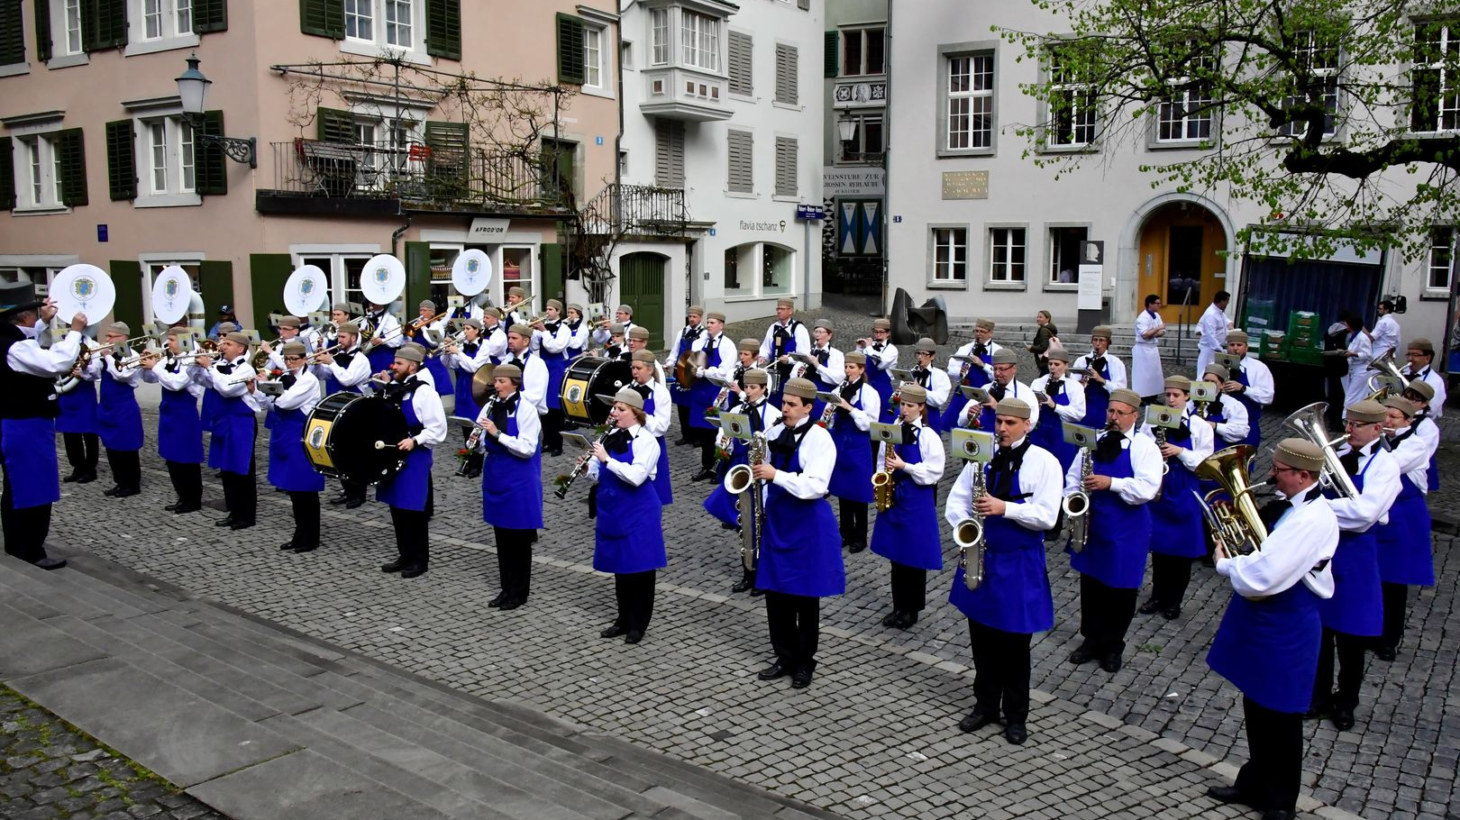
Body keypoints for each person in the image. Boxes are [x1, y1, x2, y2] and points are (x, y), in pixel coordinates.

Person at [1205, 439, 1338, 820]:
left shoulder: (1312, 519)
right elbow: (1265, 554)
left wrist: (1226, 562)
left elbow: (1262, 577)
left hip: (1287, 621)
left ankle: (1281, 802)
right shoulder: (1291, 508)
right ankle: (1254, 782)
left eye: (1279, 469)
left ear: (1303, 475)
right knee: (1257, 703)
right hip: (1270, 617)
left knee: (1281, 714)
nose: (1270, 474)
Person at [946, 397, 1060, 745]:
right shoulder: (982, 456)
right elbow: (956, 498)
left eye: (1010, 423)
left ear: (1027, 425)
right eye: (999, 422)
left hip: (1019, 560)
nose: (1002, 429)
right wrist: (966, 526)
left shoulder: (1045, 462)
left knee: (1014, 644)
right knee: (981, 639)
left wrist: (1004, 508)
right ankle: (984, 705)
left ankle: (1016, 715)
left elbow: (1047, 515)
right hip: (982, 555)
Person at [1310, 399, 1399, 731]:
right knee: (1320, 633)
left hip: (1358, 556)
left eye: (1357, 425)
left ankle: (1346, 702)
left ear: (1377, 428)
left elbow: (1364, 516)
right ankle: (1317, 697)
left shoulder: (1386, 466)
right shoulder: (1340, 457)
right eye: (1347, 423)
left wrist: (1319, 509)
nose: (1349, 430)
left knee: (1351, 638)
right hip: (1326, 552)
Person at [753, 378, 846, 689]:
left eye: (792, 405)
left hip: (807, 524)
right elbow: (766, 473)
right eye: (784, 403)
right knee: (776, 594)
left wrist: (774, 474)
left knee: (805, 597)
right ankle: (783, 655)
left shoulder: (821, 439)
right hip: (779, 519)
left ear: (808, 407)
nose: (785, 409)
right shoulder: (777, 431)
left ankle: (805, 661)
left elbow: (815, 485)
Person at [1064, 388, 1161, 673]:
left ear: (1134, 415)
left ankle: (1113, 645)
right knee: (1091, 586)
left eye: (1120, 413)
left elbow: (1147, 489)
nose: (1113, 417)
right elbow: (1073, 476)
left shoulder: (1145, 448)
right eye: (1110, 411)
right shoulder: (1093, 441)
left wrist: (1112, 483)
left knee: (1120, 590)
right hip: (1095, 525)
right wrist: (1071, 500)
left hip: (1127, 529)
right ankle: (1090, 640)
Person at [0, 284, 86, 570]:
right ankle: (30, 548)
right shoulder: (14, 346)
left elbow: (30, 342)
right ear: (23, 317)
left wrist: (44, 322)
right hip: (25, 423)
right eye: (34, 313)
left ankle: (17, 543)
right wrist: (75, 331)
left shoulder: (10, 338)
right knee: (32, 486)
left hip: (16, 422)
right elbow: (55, 362)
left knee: (16, 486)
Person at [590, 387, 667, 644]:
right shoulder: (611, 435)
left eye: (620, 409)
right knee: (621, 568)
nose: (614, 412)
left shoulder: (648, 441)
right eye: (614, 408)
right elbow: (598, 472)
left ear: (636, 414)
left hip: (639, 511)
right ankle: (623, 619)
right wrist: (589, 467)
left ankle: (638, 624)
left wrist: (607, 460)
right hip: (614, 509)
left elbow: (636, 477)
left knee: (641, 569)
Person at [869, 383, 946, 630]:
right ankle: (898, 606)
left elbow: (935, 471)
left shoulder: (929, 436)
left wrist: (906, 467)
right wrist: (882, 475)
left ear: (922, 408)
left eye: (910, 406)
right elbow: (882, 458)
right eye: (903, 404)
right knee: (896, 555)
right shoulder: (893, 430)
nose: (904, 409)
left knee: (914, 556)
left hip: (916, 498)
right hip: (895, 496)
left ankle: (911, 610)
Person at [1137, 377, 1214, 620]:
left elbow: (1205, 461)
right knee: (1159, 549)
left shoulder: (1199, 426)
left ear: (1187, 397)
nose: (1170, 400)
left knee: (1181, 551)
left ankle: (1174, 600)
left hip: (1184, 488)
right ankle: (1157, 595)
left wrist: (1180, 451)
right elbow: (1141, 446)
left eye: (1176, 396)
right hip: (1161, 486)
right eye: (1168, 395)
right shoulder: (1153, 420)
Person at [703, 368, 780, 593]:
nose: (749, 391)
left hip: (761, 472)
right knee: (744, 526)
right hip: (740, 470)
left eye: (753, 388)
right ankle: (748, 573)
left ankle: (762, 576)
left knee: (760, 526)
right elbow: (722, 440)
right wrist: (724, 443)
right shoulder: (737, 409)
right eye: (746, 387)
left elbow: (774, 446)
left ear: (764, 388)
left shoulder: (773, 413)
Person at [1373, 396, 1437, 661]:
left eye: (1393, 418)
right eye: (1384, 416)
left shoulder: (1415, 445)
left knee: (1395, 583)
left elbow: (1389, 466)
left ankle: (1390, 639)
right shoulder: (1382, 440)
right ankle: (1373, 631)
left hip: (1404, 517)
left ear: (1408, 421)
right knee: (1374, 579)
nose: (1387, 422)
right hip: (1380, 512)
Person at [476, 363, 543, 610]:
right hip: (496, 477)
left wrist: (496, 433)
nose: (496, 385)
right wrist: (477, 443)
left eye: (502, 381)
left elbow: (527, 448)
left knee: (519, 540)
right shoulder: (490, 405)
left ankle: (519, 592)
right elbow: (481, 436)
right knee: (502, 538)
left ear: (514, 383)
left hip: (519, 481)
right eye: (495, 381)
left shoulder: (526, 410)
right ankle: (506, 589)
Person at [376, 345, 447, 579]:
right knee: (396, 507)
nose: (393, 367)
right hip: (392, 454)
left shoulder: (425, 393)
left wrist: (415, 441)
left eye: (398, 364)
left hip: (414, 457)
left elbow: (438, 429)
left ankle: (419, 559)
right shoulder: (397, 388)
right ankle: (404, 555)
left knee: (413, 510)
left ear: (412, 366)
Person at [253, 342, 325, 553]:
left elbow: (284, 403)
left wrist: (268, 388)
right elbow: (266, 404)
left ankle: (310, 537)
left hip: (301, 438)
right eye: (287, 359)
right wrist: (257, 388)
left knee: (306, 490)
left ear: (304, 359)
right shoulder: (284, 378)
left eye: (294, 359)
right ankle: (299, 534)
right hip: (285, 435)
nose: (290, 363)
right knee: (293, 490)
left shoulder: (308, 380)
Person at [195, 332, 259, 529]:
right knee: (227, 469)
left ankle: (246, 515)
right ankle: (233, 510)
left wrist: (209, 368)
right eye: (222, 343)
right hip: (224, 421)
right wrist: (199, 368)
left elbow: (226, 389)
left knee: (243, 470)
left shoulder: (246, 369)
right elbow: (205, 382)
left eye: (228, 344)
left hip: (241, 422)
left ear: (240, 348)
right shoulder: (218, 366)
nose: (222, 347)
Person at [141, 329, 204, 514]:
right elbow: (151, 378)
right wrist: (144, 365)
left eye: (172, 340)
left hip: (184, 414)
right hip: (169, 412)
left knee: (187, 458)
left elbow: (176, 384)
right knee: (172, 457)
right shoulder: (169, 358)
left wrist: (155, 367)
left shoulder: (191, 361)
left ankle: (192, 499)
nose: (168, 343)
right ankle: (182, 496)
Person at [827, 351, 881, 554]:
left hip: (858, 445)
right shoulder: (841, 388)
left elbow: (871, 422)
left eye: (851, 367)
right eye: (846, 367)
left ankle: (860, 537)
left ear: (861, 369)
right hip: (841, 443)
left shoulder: (868, 392)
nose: (848, 371)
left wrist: (849, 408)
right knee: (842, 492)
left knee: (858, 493)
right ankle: (845, 532)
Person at [314, 323, 372, 508]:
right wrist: (318, 362)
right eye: (338, 337)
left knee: (355, 452)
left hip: (355, 408)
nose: (339, 341)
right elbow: (323, 376)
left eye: (343, 337)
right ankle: (347, 490)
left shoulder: (361, 359)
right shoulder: (337, 356)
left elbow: (348, 379)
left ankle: (358, 494)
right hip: (335, 406)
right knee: (337, 451)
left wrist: (331, 363)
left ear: (354, 338)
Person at [92, 323, 146, 498]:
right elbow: (93, 374)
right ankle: (119, 481)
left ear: (123, 338)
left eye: (111, 336)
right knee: (111, 446)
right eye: (107, 336)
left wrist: (107, 357)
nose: (107, 340)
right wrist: (88, 363)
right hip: (108, 405)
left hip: (123, 407)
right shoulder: (108, 355)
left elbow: (122, 375)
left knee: (127, 446)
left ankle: (132, 483)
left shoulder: (131, 355)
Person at [689, 312, 737, 482]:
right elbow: (692, 361)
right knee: (703, 432)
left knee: (718, 432)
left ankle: (719, 468)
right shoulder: (699, 342)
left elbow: (725, 372)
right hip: (700, 391)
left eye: (713, 322)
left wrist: (705, 372)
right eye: (708, 322)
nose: (709, 325)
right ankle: (706, 466)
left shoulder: (728, 345)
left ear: (721, 325)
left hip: (716, 393)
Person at [444, 318, 492, 477]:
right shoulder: (462, 346)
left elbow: (473, 366)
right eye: (464, 328)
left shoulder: (485, 346)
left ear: (477, 330)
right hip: (463, 387)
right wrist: (447, 353)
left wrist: (458, 352)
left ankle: (477, 465)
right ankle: (467, 461)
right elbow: (450, 365)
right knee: (465, 428)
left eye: (468, 328)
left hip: (477, 388)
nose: (465, 331)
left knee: (477, 427)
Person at [1028, 349, 1086, 474]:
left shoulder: (1074, 386)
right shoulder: (1038, 383)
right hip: (1039, 433)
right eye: (1050, 364)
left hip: (1062, 435)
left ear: (1066, 366)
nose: (1052, 368)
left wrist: (1054, 406)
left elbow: (1079, 414)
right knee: (1037, 468)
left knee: (1062, 469)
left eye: (1057, 364)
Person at [628, 349, 674, 506]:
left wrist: (640, 414)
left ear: (650, 369)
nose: (634, 372)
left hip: (652, 446)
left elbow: (661, 427)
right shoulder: (626, 391)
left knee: (652, 497)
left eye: (638, 368)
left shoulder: (661, 393)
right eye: (633, 368)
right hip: (629, 444)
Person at [958, 349, 1041, 432]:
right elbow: (960, 421)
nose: (997, 373)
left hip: (1010, 442)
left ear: (1014, 369)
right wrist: (969, 416)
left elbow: (1029, 425)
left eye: (1002, 369)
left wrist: (998, 408)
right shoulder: (985, 388)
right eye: (995, 369)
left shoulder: (1026, 393)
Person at [56, 333, 100, 484]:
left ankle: (90, 469)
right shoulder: (62, 344)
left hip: (84, 392)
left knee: (89, 432)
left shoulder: (93, 345)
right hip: (67, 392)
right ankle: (77, 467)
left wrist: (84, 369)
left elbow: (97, 371)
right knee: (69, 433)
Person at [942, 318, 1001, 430]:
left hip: (983, 395)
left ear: (990, 333)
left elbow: (1000, 376)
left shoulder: (997, 351)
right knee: (954, 426)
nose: (978, 334)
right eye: (977, 331)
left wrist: (983, 365)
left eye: (982, 332)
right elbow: (950, 368)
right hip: (964, 394)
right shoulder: (966, 348)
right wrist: (960, 372)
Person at [532, 299, 573, 457]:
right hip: (543, 367)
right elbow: (535, 346)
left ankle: (558, 445)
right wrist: (534, 332)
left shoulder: (564, 329)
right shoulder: (544, 328)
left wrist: (543, 331)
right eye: (546, 309)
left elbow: (554, 347)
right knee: (544, 407)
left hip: (557, 369)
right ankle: (547, 442)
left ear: (558, 311)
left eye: (550, 309)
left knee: (556, 408)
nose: (547, 312)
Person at [1220, 331, 1274, 447]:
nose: (1235, 349)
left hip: (1248, 425)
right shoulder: (1215, 366)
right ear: (1227, 346)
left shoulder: (1258, 368)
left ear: (1246, 347)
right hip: (1219, 425)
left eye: (1239, 345)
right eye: (1232, 345)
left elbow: (1267, 397)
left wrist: (1244, 389)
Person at [758, 298, 811, 406]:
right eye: (778, 309)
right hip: (773, 371)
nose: (779, 311)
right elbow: (766, 348)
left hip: (789, 372)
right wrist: (762, 356)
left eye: (782, 309)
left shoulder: (799, 329)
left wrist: (789, 360)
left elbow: (804, 355)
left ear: (790, 311)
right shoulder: (773, 328)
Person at [1072, 326, 1127, 428]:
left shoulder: (1115, 363)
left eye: (1101, 340)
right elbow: (1071, 385)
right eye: (1095, 340)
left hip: (1104, 408)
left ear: (1108, 343)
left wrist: (1101, 380)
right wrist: (1080, 384)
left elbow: (1121, 391)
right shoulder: (1081, 361)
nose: (1098, 344)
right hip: (1084, 407)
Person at [666, 306, 706, 445]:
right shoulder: (682, 332)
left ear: (700, 318)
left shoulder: (704, 334)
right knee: (682, 406)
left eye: (695, 316)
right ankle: (686, 435)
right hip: (680, 372)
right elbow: (675, 350)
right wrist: (670, 363)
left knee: (694, 405)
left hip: (694, 374)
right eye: (690, 316)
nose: (692, 319)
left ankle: (698, 436)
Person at [1401, 378, 1442, 490]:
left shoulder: (1428, 427)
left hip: (1411, 475)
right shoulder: (1394, 418)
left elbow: (1419, 455)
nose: (1407, 402)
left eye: (1414, 400)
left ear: (1424, 404)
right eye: (1406, 397)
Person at [502, 323, 549, 418]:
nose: (510, 341)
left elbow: (536, 396)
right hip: (507, 412)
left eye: (514, 338)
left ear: (526, 341)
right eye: (509, 338)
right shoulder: (505, 361)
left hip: (529, 414)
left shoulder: (537, 364)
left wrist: (509, 396)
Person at [1197, 363, 1251, 446]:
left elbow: (1242, 431)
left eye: (1213, 382)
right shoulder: (1192, 401)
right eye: (1206, 381)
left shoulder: (1232, 405)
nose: (1209, 385)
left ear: (1222, 385)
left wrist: (1215, 426)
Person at [859, 318, 899, 423]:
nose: (878, 335)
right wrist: (859, 349)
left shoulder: (892, 350)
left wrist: (868, 349)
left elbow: (881, 365)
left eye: (881, 332)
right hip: (867, 385)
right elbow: (858, 364)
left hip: (883, 389)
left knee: (885, 419)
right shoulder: (869, 347)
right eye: (876, 332)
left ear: (888, 333)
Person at [908, 338, 952, 433]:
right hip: (911, 419)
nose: (920, 357)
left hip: (931, 420)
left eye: (924, 354)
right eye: (918, 353)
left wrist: (920, 390)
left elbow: (939, 400)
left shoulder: (940, 376)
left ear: (932, 356)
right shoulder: (911, 373)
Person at [1401, 337, 1446, 419]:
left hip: (1420, 424)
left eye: (1415, 355)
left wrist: (1401, 410)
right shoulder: (1402, 373)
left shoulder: (1436, 381)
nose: (1410, 359)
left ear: (1427, 358)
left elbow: (1430, 410)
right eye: (1409, 354)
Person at [1132, 294, 1166, 402]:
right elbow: (1145, 335)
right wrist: (1156, 329)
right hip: (1143, 348)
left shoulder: (1157, 316)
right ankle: (1142, 397)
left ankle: (1153, 396)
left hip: (1152, 347)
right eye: (1157, 303)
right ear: (1150, 304)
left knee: (1154, 374)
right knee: (1143, 375)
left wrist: (1153, 332)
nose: (1159, 305)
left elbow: (1162, 332)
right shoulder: (1142, 318)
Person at [1338, 311, 1373, 409]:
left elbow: (1368, 355)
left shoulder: (1362, 338)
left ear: (1350, 325)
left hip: (1361, 370)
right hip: (1354, 369)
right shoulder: (1354, 336)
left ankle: (1346, 419)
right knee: (1352, 396)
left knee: (1351, 398)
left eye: (1346, 324)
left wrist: (1353, 354)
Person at [361, 299, 404, 374]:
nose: (371, 304)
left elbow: (397, 341)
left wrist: (381, 341)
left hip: (384, 359)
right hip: (368, 359)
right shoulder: (366, 319)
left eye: (373, 302)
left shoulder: (391, 320)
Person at [1197, 291, 1232, 374]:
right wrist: (1221, 350)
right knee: (1204, 373)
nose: (1227, 304)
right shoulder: (1211, 314)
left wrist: (1230, 326)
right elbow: (1210, 335)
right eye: (1227, 301)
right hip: (1209, 350)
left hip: (1216, 349)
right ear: (1222, 301)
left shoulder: (1219, 312)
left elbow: (1226, 321)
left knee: (1216, 374)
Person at [1028, 310, 1058, 377]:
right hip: (1051, 358)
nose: (1038, 319)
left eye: (1040, 317)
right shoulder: (1050, 328)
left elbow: (1043, 347)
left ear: (1047, 319)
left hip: (1045, 361)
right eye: (1037, 317)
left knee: (1043, 381)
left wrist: (1031, 348)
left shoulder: (1044, 330)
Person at [1371, 299, 1401, 364]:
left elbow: (1372, 337)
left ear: (1386, 310)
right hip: (1389, 355)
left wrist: (1362, 328)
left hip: (1378, 354)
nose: (1378, 310)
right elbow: (1397, 342)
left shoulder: (1382, 322)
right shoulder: (1396, 324)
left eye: (1380, 309)